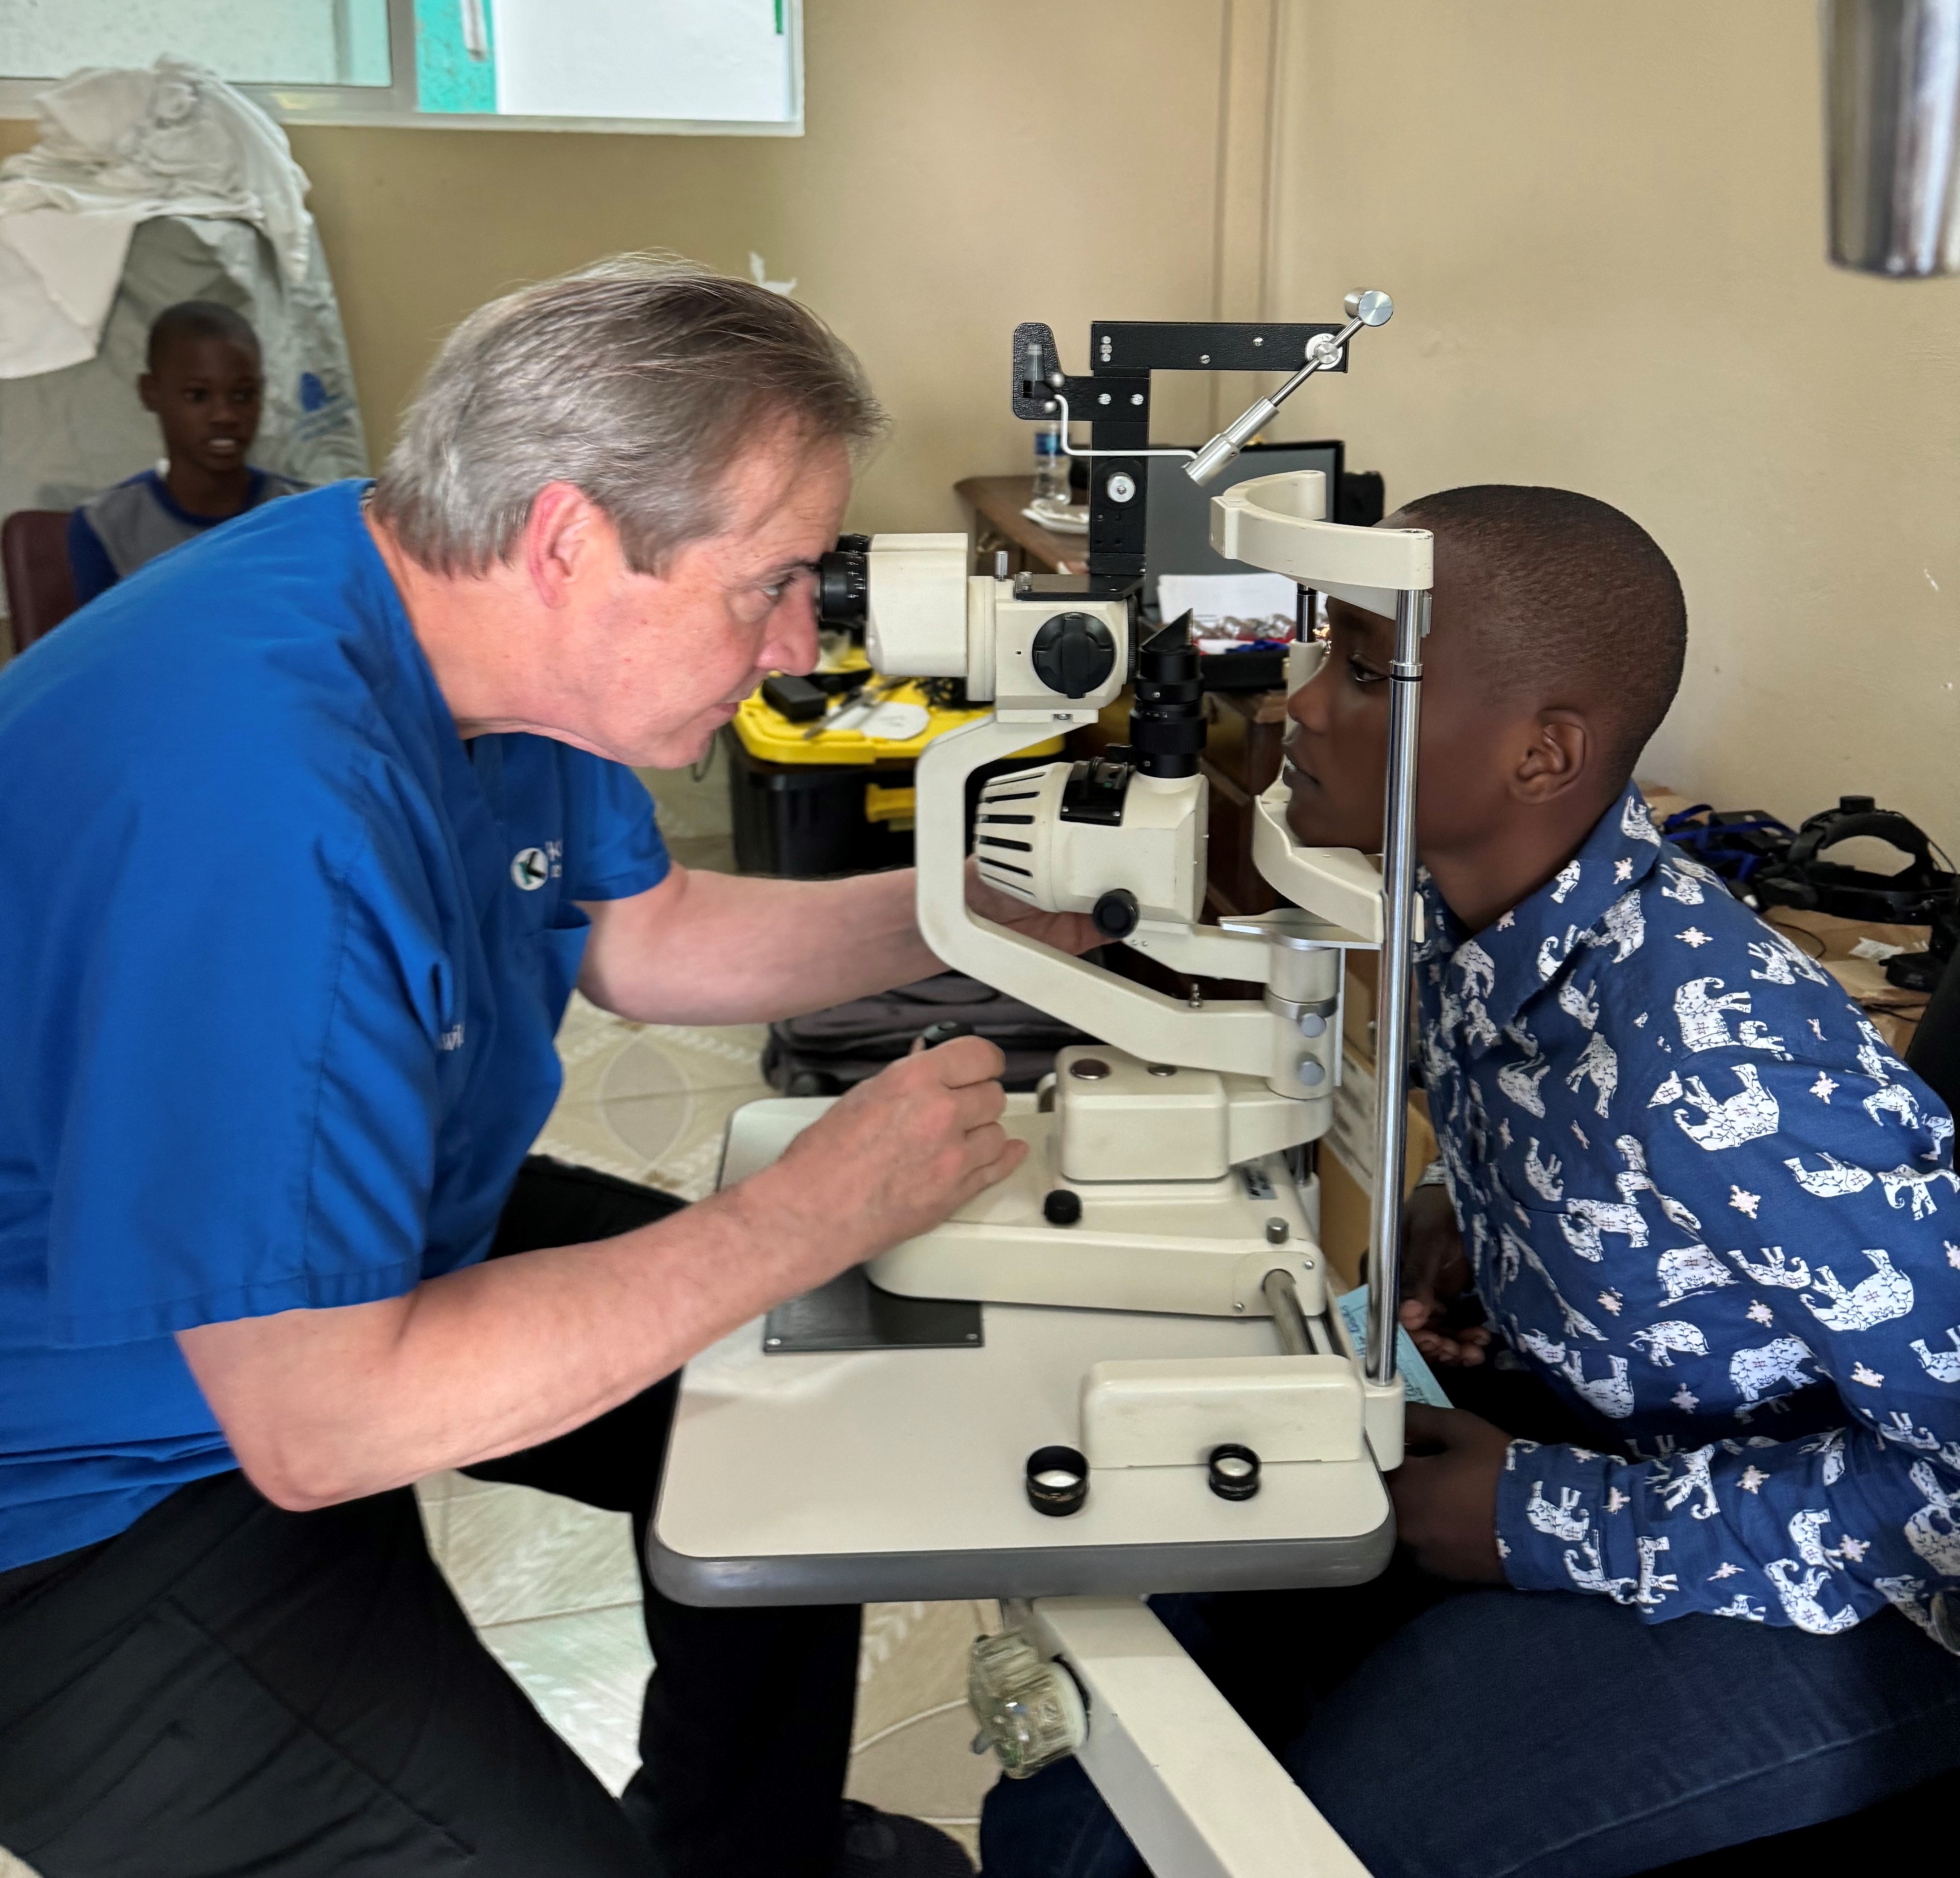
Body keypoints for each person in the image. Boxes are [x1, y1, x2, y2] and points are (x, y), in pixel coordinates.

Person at [0, 255, 1097, 1878]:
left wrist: (991, 908)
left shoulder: (435, 606)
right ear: (575, 539)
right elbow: (319, 1420)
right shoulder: (268, 812)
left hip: (322, 1288)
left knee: (797, 1428)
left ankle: (752, 1852)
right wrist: (805, 1213)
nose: (799, 647)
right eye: (771, 583)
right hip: (95, 1501)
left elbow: (640, 938)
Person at [981, 485, 1960, 1878]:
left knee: (1300, 1837)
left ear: (1541, 752)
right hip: (1609, 1429)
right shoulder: (1454, 903)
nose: (1300, 705)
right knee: (1114, 1703)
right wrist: (1478, 1236)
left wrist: (1538, 1519)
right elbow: (1571, 1168)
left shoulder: (1712, 1064)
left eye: (1367, 669)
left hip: (1871, 1594)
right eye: (1325, 652)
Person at [66, 300, 307, 606]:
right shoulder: (107, 527)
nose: (225, 416)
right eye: (198, 396)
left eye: (243, 395)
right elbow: (105, 649)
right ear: (150, 393)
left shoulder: (303, 513)